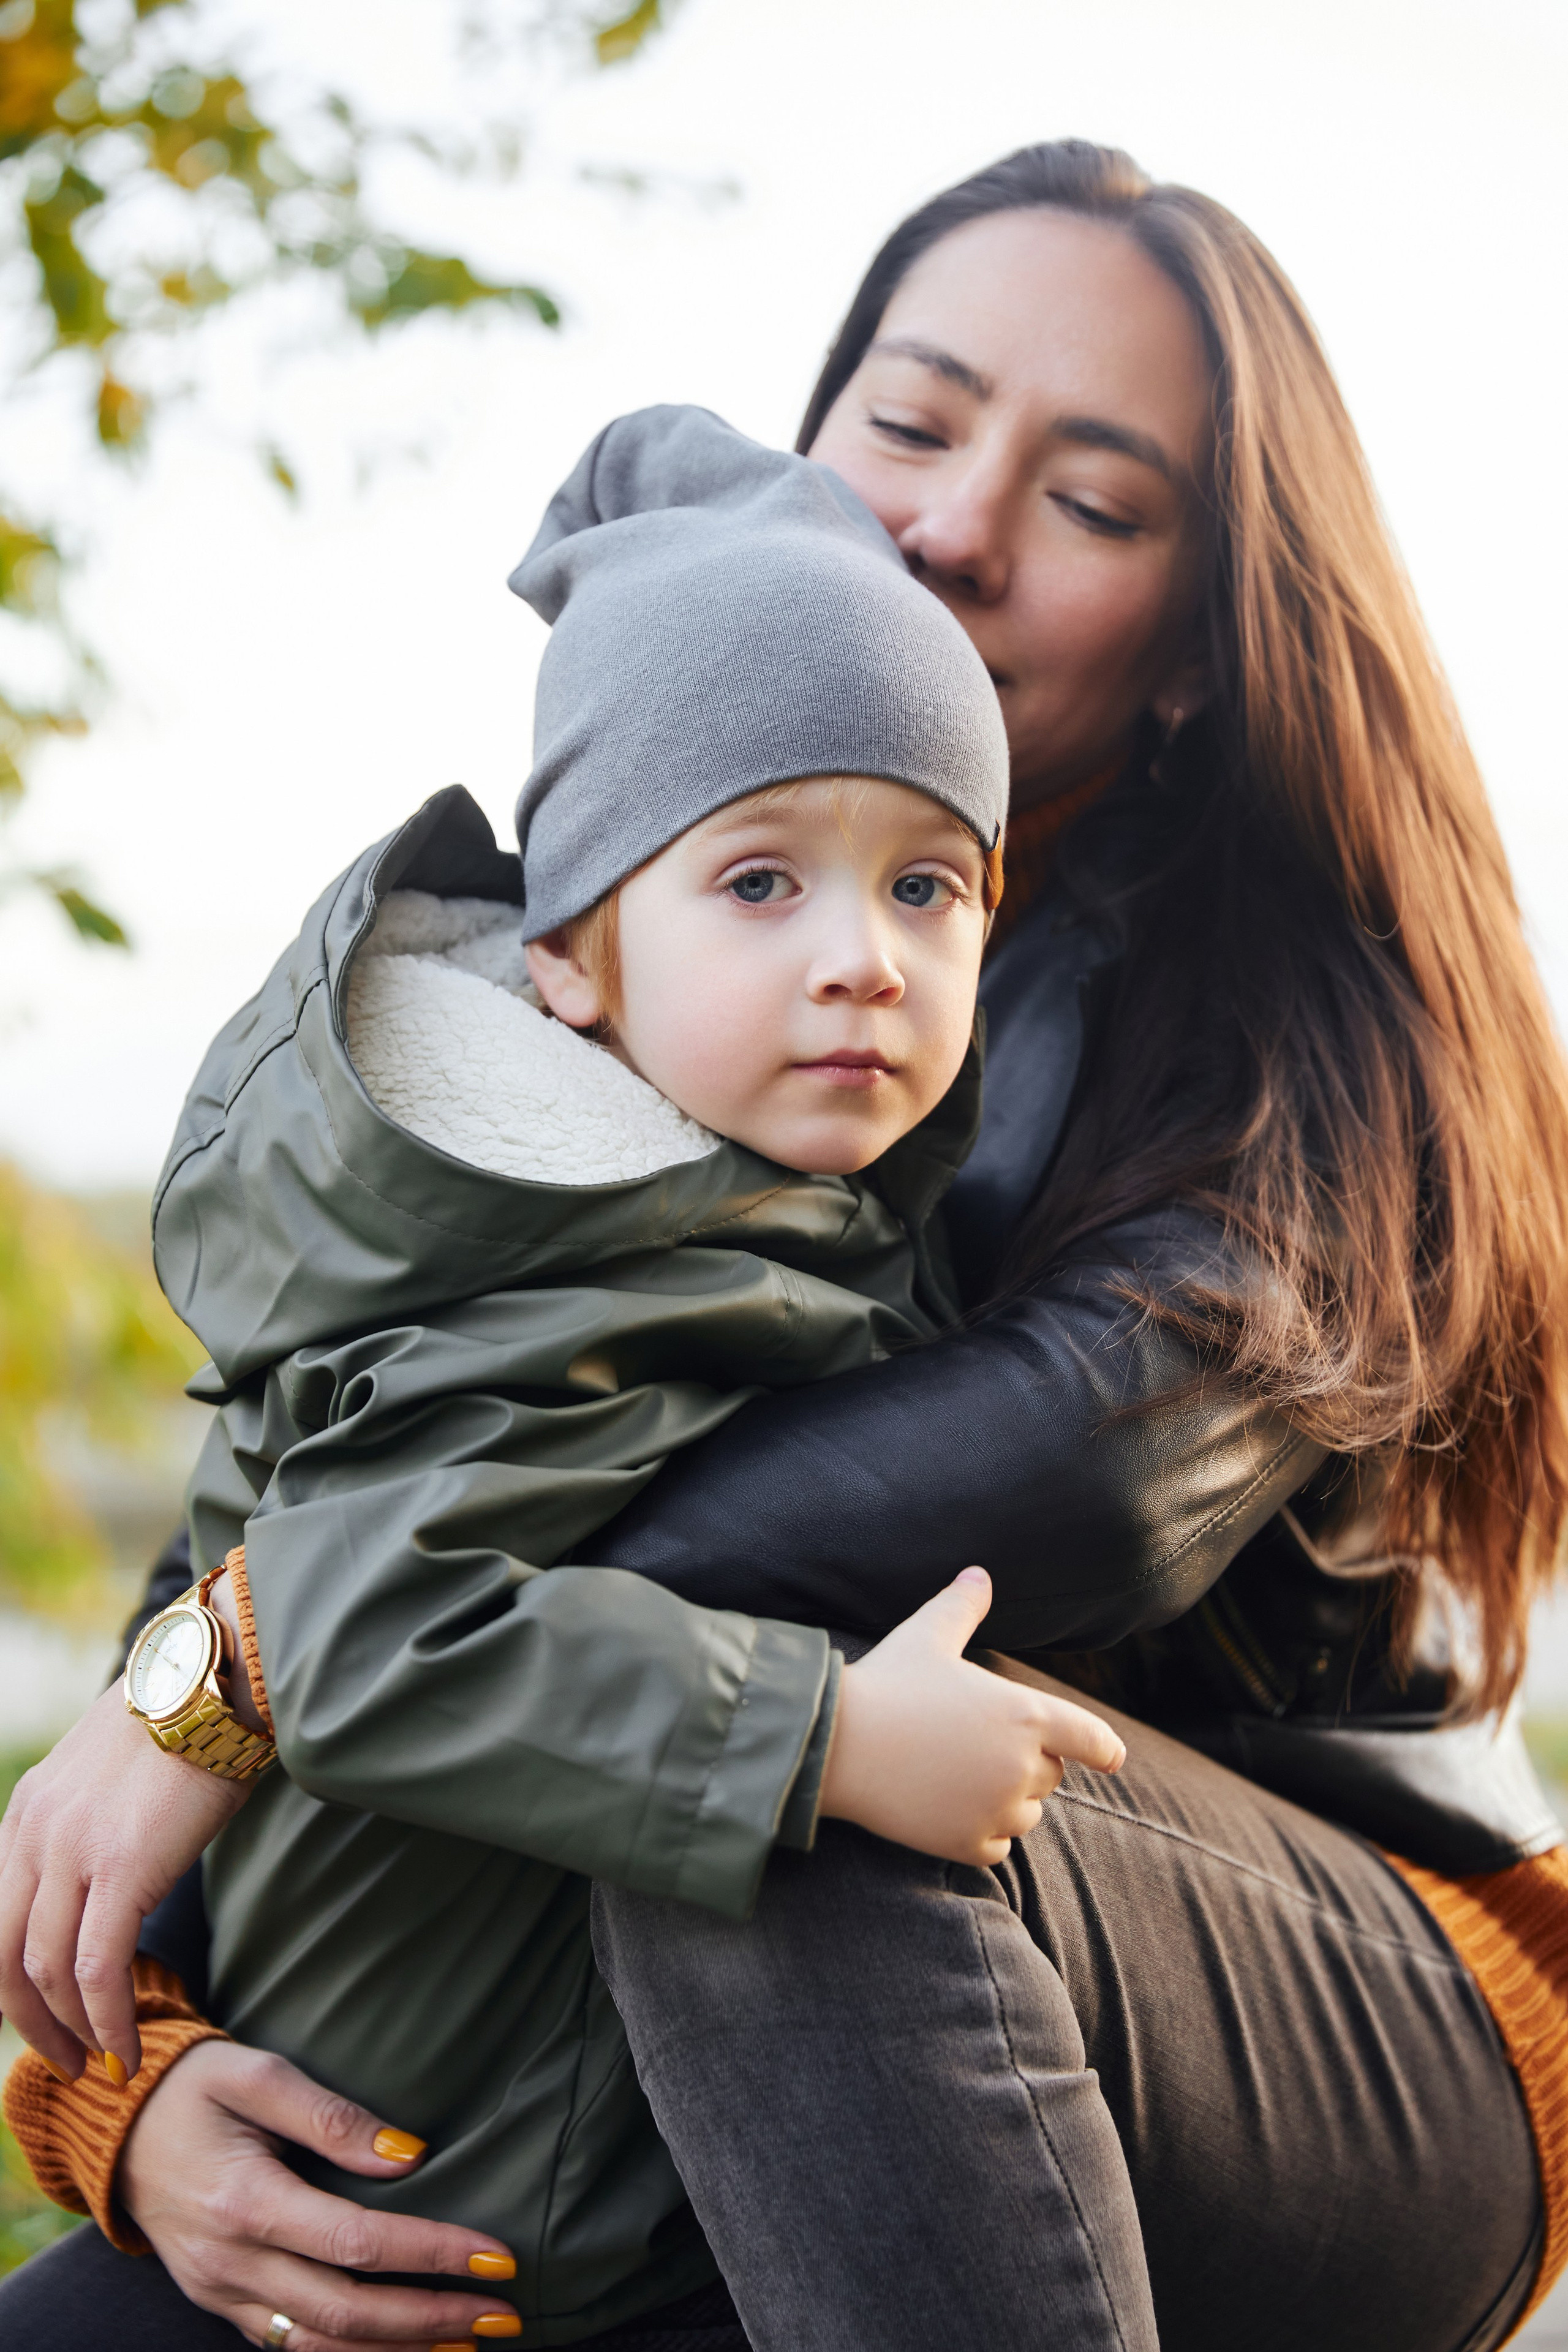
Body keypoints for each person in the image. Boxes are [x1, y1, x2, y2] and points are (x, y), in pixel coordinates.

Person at [4, 138, 1568, 2352]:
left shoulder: (1326, 1027)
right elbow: (337, 1442)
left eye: (1096, 504)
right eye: (911, 429)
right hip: (780, 2065)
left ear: (1207, 645)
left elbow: (1035, 1495)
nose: (951, 527)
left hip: (1360, 2011)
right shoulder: (621, 954)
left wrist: (283, 1648)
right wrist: (125, 2089)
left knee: (811, 1781)